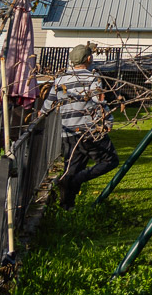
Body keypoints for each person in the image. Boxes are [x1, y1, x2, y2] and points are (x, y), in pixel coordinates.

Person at [48, 43, 116, 207]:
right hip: (88, 131)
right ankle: (78, 179)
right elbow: (98, 102)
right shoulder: (92, 78)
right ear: (89, 59)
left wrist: (40, 115)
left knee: (71, 169)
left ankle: (66, 206)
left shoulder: (60, 80)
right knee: (110, 160)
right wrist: (107, 120)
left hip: (68, 132)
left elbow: (48, 105)